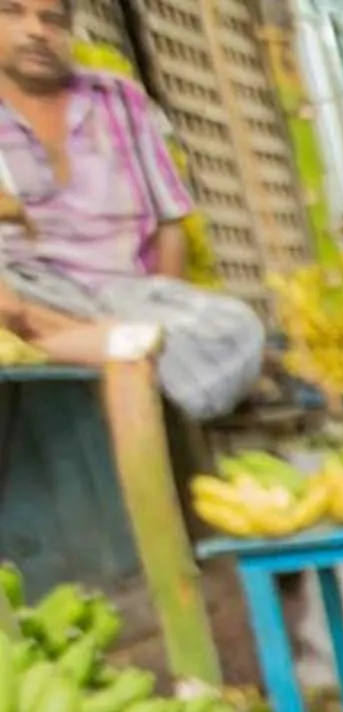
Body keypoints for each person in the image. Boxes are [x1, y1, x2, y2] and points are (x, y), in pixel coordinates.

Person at [0, 0, 262, 418]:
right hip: (28, 294)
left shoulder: (118, 99)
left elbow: (170, 222)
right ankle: (118, 349)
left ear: (68, 28)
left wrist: (164, 296)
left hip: (124, 295)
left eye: (51, 19)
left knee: (238, 329)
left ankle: (77, 346)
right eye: (13, 13)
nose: (36, 31)